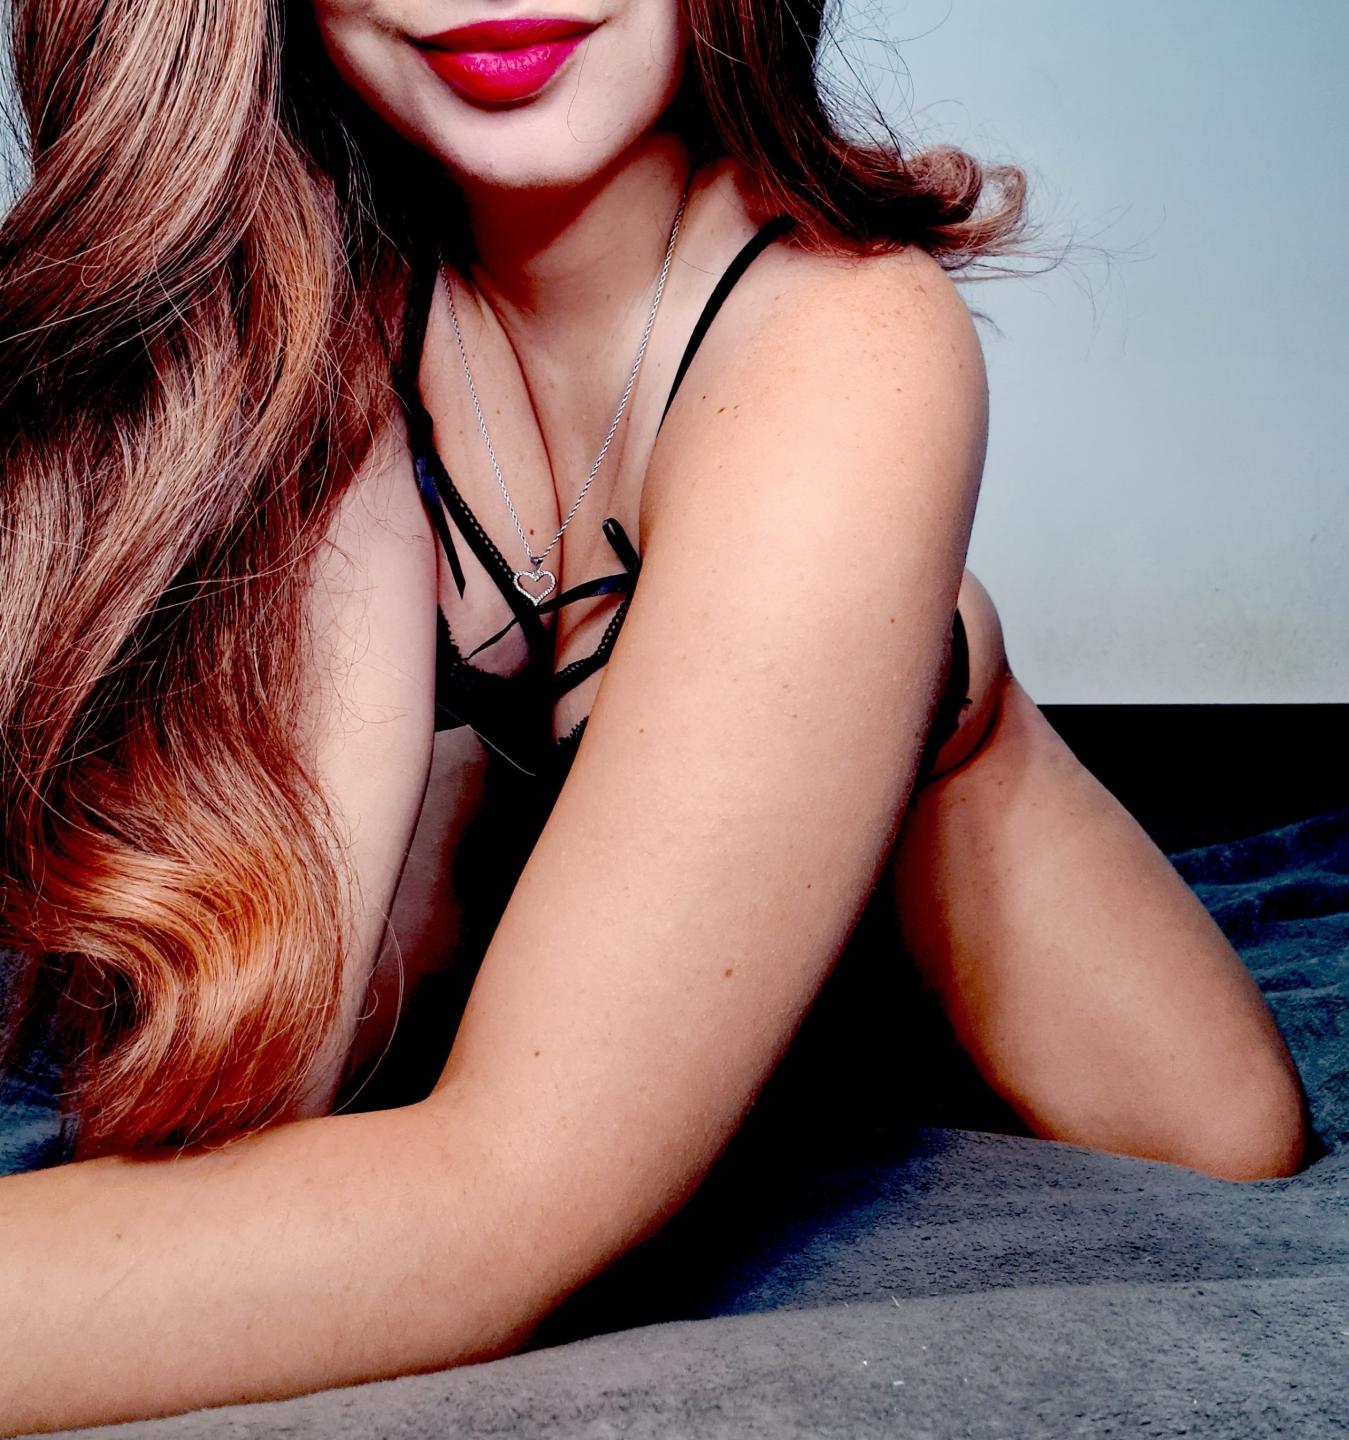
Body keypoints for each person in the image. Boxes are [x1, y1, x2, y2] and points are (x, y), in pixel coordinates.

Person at [0, 0, 1308, 1428]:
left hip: (975, 906)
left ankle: (939, 696)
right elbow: (242, 1097)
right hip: (551, 859)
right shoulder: (309, 320)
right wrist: (344, 487)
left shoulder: (841, 334)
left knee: (1224, 1131)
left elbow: (507, 1207)